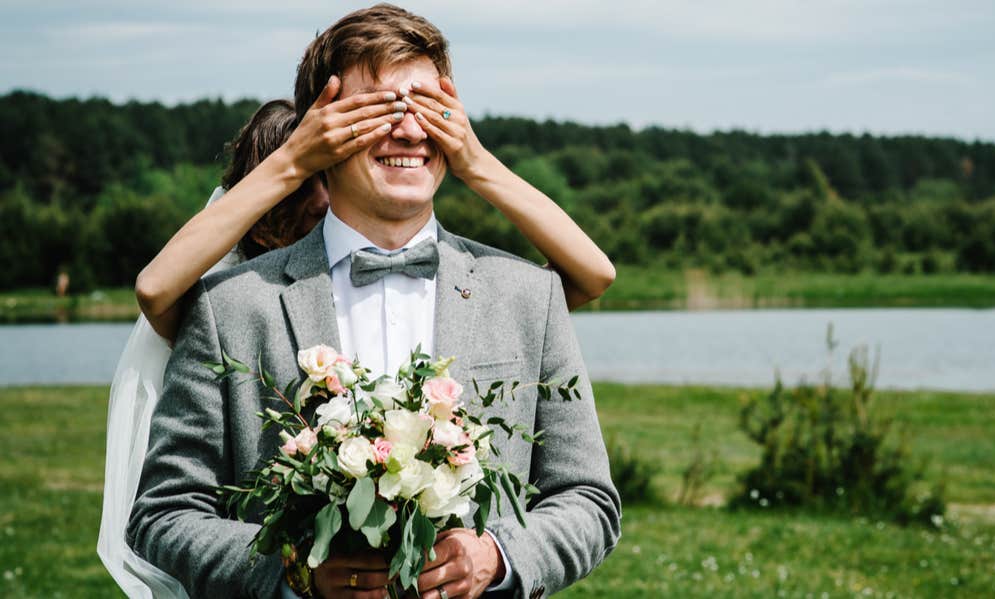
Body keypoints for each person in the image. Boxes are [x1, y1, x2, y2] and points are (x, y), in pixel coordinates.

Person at [121, 5, 620, 599]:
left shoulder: (528, 297)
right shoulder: (230, 308)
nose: (410, 131)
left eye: (429, 109)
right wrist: (291, 570)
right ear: (323, 130)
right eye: (381, 110)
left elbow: (588, 501)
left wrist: (498, 558)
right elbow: (163, 512)